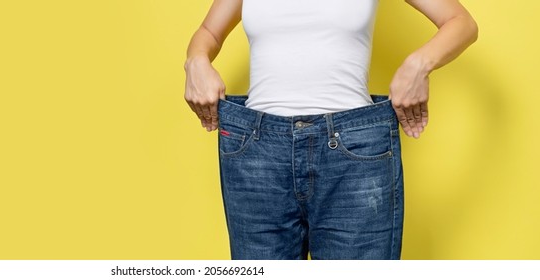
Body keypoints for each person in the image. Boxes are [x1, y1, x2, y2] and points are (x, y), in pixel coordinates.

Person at [183, 0, 478, 260]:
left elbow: (461, 23)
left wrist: (418, 65)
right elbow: (208, 33)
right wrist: (196, 61)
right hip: (258, 155)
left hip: (353, 156)